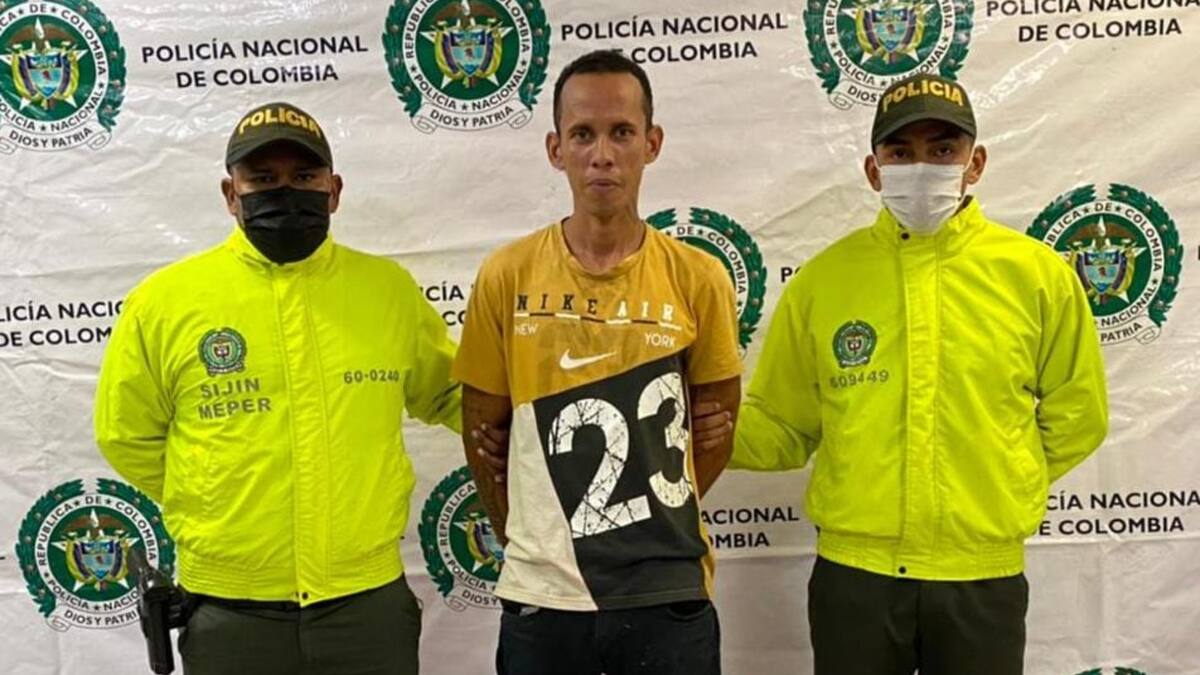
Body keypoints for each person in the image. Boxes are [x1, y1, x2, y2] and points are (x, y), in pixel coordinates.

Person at [731, 74, 1109, 674]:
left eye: (942, 149)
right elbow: (783, 424)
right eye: (901, 152)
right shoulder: (824, 282)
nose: (922, 167)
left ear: (975, 162)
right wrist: (684, 432)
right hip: (856, 579)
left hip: (980, 577)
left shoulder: (1038, 278)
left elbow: (1079, 413)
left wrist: (1005, 478)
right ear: (873, 170)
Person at [94, 101, 485, 675]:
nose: (285, 192)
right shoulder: (164, 303)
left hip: (366, 607)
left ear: (334, 190)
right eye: (263, 179)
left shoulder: (388, 291)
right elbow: (125, 434)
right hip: (229, 611)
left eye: (304, 177)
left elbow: (452, 396)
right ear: (230, 194)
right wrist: (214, 497)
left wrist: (537, 422)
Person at [453, 50, 742, 675]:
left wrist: (646, 514)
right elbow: (482, 432)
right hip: (543, 596)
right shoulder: (506, 274)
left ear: (652, 143)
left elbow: (717, 430)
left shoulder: (699, 277)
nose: (602, 154)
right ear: (555, 149)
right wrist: (533, 537)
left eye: (621, 132)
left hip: (667, 590)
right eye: (583, 134)